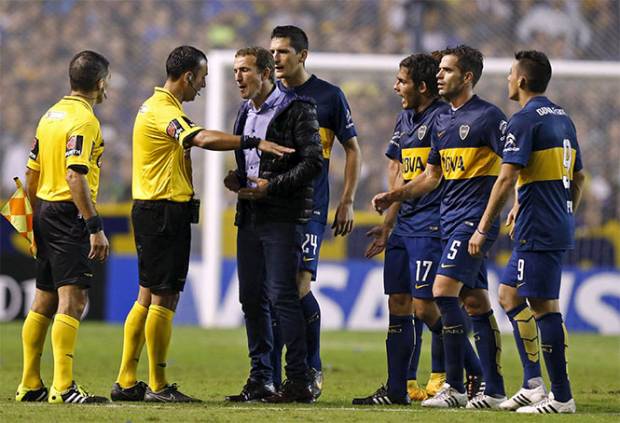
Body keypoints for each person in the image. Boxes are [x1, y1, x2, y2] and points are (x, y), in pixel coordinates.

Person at [111, 45, 292, 403]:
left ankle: (127, 381)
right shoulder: (164, 111)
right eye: (203, 78)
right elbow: (201, 138)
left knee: (147, 295)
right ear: (188, 76)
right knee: (164, 296)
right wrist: (254, 142)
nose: (204, 86)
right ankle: (158, 387)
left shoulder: (158, 106)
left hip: (154, 208)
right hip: (162, 211)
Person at [373, 45, 508, 409]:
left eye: (446, 70)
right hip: (440, 221)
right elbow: (431, 176)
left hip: (459, 223)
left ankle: (457, 384)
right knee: (475, 301)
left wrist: (498, 216)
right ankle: (491, 387)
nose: (439, 75)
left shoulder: (488, 117)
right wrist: (393, 199)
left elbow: (512, 167)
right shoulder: (445, 120)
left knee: (439, 297)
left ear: (466, 76)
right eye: (439, 70)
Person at [469, 50, 585, 414]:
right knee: (507, 294)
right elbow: (577, 176)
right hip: (545, 219)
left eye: (509, 74)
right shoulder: (562, 117)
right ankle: (533, 383)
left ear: (521, 80)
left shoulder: (523, 120)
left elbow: (506, 177)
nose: (506, 79)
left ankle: (562, 397)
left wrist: (483, 225)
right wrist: (562, 209)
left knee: (543, 306)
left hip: (540, 226)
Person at [223, 46, 323, 403]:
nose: (238, 77)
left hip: (282, 217)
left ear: (266, 73)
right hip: (250, 214)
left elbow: (313, 163)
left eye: (245, 70)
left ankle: (297, 380)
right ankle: (261, 378)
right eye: (236, 70)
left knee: (282, 295)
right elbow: (254, 166)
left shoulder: (298, 109)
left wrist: (271, 187)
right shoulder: (243, 113)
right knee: (250, 297)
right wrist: (240, 178)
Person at [268, 24, 361, 399]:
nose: (276, 58)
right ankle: (270, 374)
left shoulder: (328, 97)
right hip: (274, 206)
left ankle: (312, 368)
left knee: (297, 287)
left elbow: (352, 149)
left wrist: (347, 199)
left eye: (283, 52)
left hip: (310, 207)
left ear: (302, 55)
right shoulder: (267, 96)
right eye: (272, 51)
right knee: (273, 292)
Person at [352, 53, 448, 406]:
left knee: (427, 307)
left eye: (402, 81)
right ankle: (397, 389)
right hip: (404, 224)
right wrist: (388, 223)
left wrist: (394, 197)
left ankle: (468, 373)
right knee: (399, 303)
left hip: (433, 223)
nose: (395, 87)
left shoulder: (443, 119)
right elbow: (399, 169)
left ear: (422, 86)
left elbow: (430, 177)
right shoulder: (405, 118)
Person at [16, 50, 111, 404]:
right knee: (73, 299)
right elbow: (75, 175)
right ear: (100, 83)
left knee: (44, 298)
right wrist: (94, 225)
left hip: (44, 210)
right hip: (70, 214)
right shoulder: (85, 122)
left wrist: (32, 222)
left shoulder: (50, 116)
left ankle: (30, 384)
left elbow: (31, 174)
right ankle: (63, 387)